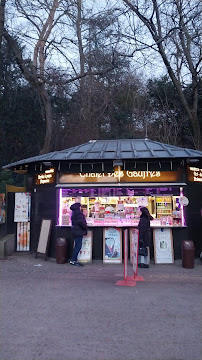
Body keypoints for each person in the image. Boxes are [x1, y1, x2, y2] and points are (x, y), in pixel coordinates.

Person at [70, 202, 87, 266]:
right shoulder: (78, 213)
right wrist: (85, 228)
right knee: (78, 246)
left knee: (77, 245)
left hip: (75, 231)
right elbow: (81, 222)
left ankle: (73, 260)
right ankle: (74, 260)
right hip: (78, 231)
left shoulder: (74, 213)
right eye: (80, 206)